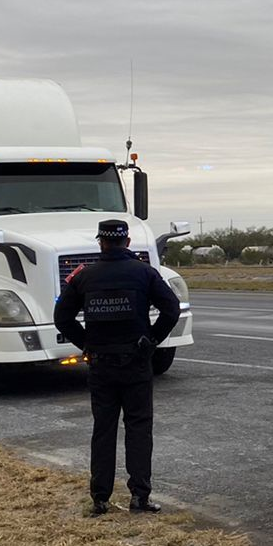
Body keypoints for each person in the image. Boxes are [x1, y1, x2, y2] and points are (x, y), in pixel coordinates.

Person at [54, 219, 181, 515]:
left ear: (101, 242)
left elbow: (62, 318)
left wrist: (86, 343)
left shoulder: (83, 276)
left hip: (101, 364)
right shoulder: (144, 273)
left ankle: (100, 498)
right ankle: (140, 496)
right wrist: (151, 340)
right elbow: (171, 309)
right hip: (136, 362)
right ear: (127, 242)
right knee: (138, 429)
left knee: (104, 430)